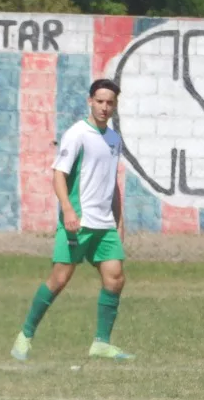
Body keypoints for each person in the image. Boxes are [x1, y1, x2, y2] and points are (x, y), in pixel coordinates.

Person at [12, 78, 134, 363]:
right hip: (78, 221)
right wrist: (67, 209)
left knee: (115, 279)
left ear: (115, 106)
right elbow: (59, 174)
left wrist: (119, 220)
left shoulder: (114, 139)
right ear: (90, 101)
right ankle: (25, 335)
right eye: (100, 101)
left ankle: (101, 343)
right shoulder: (77, 134)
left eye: (110, 103)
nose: (105, 107)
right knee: (59, 279)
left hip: (104, 224)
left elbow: (112, 181)